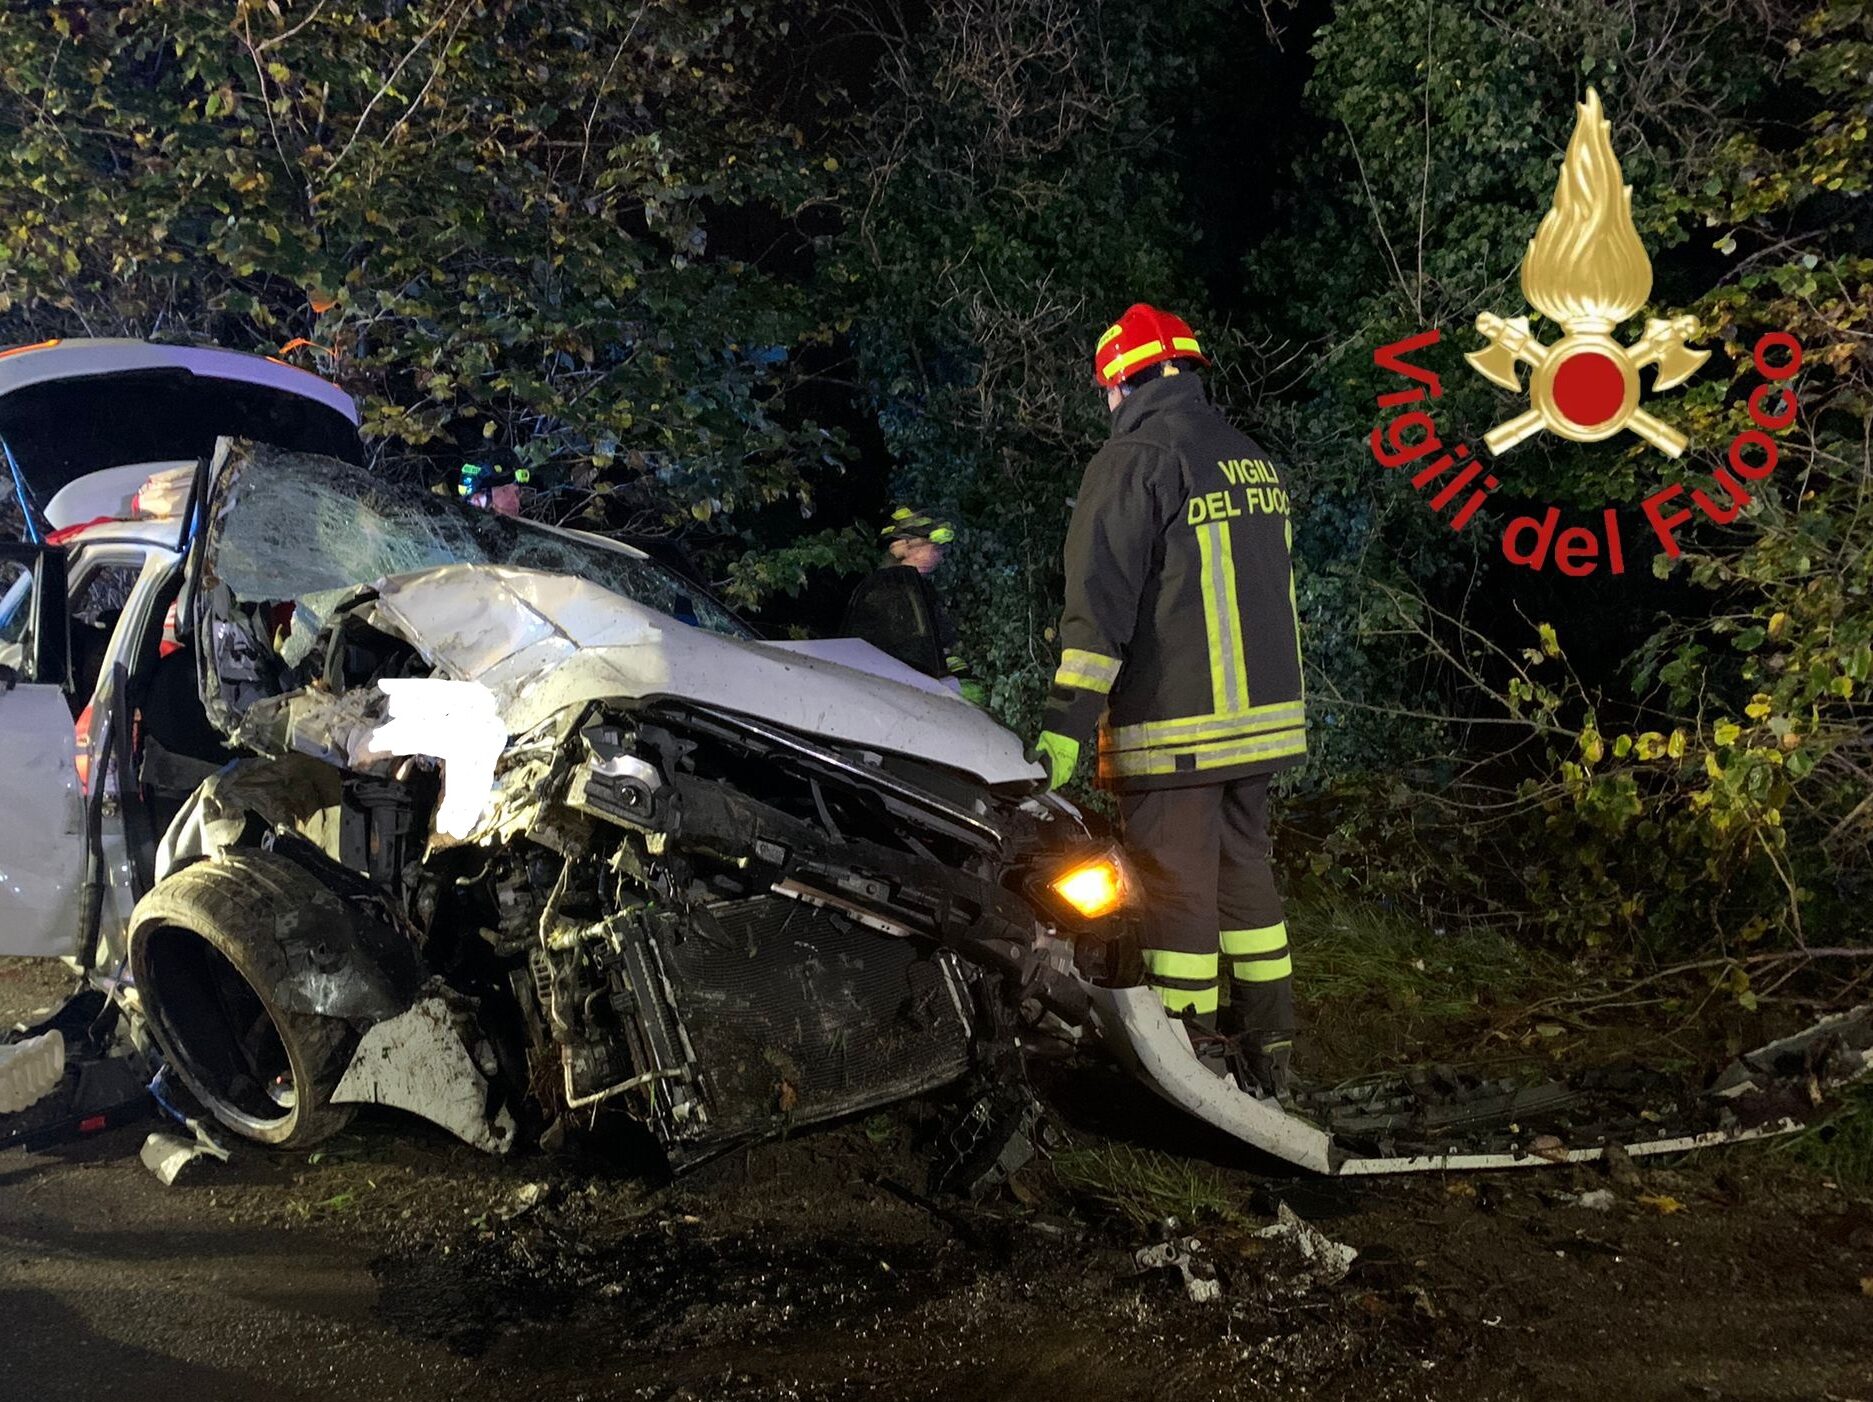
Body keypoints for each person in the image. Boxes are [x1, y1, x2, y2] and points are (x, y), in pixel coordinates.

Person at [1030, 304, 1306, 1097]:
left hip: (1175, 728)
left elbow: (1097, 611)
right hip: (1262, 728)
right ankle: (1270, 1050)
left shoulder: (1134, 459)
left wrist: (1064, 725)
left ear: (1119, 383)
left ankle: (1191, 1068)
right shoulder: (1247, 457)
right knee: (1243, 876)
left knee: (1175, 890)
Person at [876, 505, 984, 705]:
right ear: (902, 547)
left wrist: (954, 671)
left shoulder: (922, 591)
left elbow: (939, 642)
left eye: (937, 549)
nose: (934, 555)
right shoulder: (888, 593)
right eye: (927, 547)